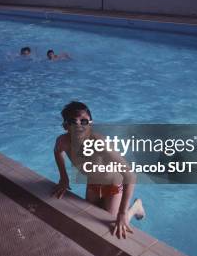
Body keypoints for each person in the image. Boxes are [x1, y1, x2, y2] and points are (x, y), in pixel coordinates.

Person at [52, 101, 145, 239]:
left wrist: (122, 213)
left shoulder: (99, 144)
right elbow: (57, 152)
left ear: (90, 124)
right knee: (89, 220)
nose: (79, 125)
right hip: (92, 184)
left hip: (113, 186)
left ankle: (135, 207)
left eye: (84, 121)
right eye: (73, 121)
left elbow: (130, 175)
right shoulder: (62, 141)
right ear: (66, 126)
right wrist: (64, 178)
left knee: (112, 226)